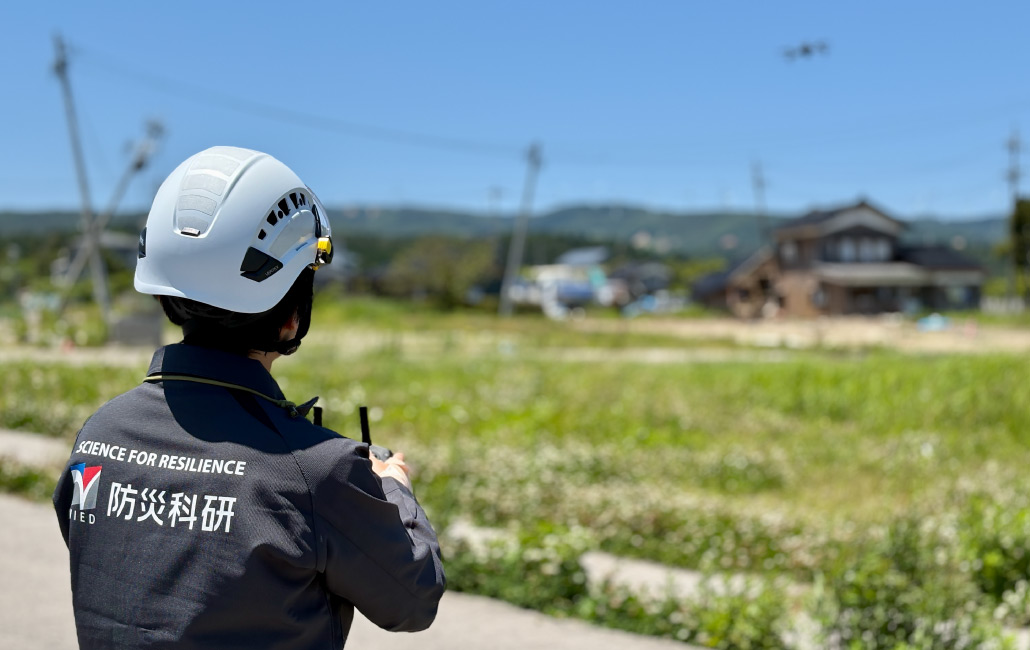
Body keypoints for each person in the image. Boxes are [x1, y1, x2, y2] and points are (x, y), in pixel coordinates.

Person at [53, 146, 445, 649]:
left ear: (163, 294)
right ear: (290, 316)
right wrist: (393, 489)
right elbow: (412, 600)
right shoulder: (315, 470)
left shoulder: (100, 434)